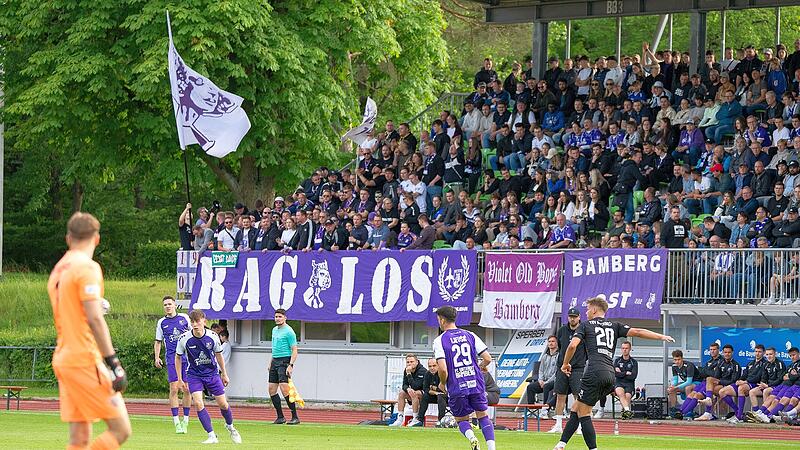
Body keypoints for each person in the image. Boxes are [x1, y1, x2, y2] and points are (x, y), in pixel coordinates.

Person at [47, 212, 132, 449]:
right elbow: (94, 319)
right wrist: (114, 363)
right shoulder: (87, 267)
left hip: (64, 358)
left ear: (68, 238)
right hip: (83, 358)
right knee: (121, 429)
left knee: (79, 439)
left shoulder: (59, 269)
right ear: (96, 239)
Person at [552, 297, 673, 450]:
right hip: (610, 374)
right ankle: (561, 444)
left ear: (595, 310)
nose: (587, 312)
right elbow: (638, 331)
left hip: (594, 372)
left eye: (588, 309)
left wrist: (565, 364)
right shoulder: (614, 325)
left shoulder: (586, 325)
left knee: (584, 413)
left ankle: (593, 449)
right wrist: (661, 336)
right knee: (576, 408)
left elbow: (572, 346)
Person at [433, 305, 496, 450]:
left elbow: (443, 368)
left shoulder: (440, 340)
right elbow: (487, 358)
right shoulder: (470, 335)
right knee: (483, 416)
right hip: (475, 382)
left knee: (461, 419)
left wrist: (442, 384)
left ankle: (473, 438)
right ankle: (492, 448)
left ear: (442, 320)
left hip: (457, 384)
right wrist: (476, 368)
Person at [175, 310, 242, 444]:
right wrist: (180, 379)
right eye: (192, 322)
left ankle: (231, 427)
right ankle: (211, 435)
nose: (195, 324)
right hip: (194, 375)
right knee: (199, 403)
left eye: (197, 321)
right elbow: (178, 357)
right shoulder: (184, 339)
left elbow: (218, 355)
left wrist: (224, 373)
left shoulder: (213, 336)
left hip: (212, 374)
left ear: (204, 322)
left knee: (223, 404)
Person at [154, 295, 192, 433]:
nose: (168, 306)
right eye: (165, 305)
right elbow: (158, 341)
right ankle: (176, 422)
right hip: (171, 359)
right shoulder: (162, 323)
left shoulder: (184, 318)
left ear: (175, 305)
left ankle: (186, 420)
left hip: (187, 359)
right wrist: (157, 357)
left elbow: (193, 334)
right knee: (174, 388)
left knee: (187, 389)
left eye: (170, 304)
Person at [549, 308, 586, 434]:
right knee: (560, 396)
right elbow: (560, 346)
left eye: (575, 316)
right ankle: (558, 424)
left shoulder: (584, 330)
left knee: (578, 397)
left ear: (579, 317)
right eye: (570, 316)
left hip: (578, 368)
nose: (572, 318)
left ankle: (580, 426)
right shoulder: (562, 330)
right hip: (562, 368)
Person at [268, 309, 300, 425]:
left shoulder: (289, 331)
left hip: (284, 361)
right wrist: (270, 362)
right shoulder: (274, 330)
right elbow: (274, 348)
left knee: (284, 388)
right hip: (275, 361)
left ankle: (295, 416)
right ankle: (280, 417)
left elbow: (294, 350)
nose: (277, 318)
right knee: (271, 389)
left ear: (285, 318)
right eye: (276, 316)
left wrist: (290, 365)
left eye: (280, 316)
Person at [389, 354, 427, 427]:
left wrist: (409, 374)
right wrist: (407, 389)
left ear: (417, 362)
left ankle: (415, 418)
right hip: (413, 393)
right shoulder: (406, 370)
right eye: (408, 362)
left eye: (412, 361)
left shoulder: (423, 371)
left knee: (414, 392)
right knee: (401, 393)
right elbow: (404, 385)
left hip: (424, 395)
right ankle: (399, 419)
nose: (409, 364)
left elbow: (416, 386)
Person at [411, 358, 449, 427]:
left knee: (441, 396)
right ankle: (419, 420)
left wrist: (433, 387)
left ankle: (440, 420)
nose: (432, 368)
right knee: (425, 396)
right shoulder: (427, 374)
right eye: (430, 366)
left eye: (434, 366)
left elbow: (443, 390)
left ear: (438, 365)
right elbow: (425, 388)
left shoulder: (443, 373)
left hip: (447, 397)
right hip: (435, 396)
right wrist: (435, 392)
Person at [526, 335, 559, 409]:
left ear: (557, 343)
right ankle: (531, 409)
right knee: (530, 387)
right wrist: (540, 380)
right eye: (549, 341)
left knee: (546, 386)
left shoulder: (559, 356)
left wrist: (546, 382)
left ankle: (545, 409)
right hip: (543, 381)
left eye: (553, 341)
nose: (551, 343)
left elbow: (557, 372)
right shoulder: (545, 356)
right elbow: (541, 370)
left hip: (554, 381)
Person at [668, 349, 698, 416]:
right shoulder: (674, 366)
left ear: (682, 359)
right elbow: (675, 380)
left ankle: (689, 410)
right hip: (686, 383)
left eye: (678, 359)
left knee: (687, 388)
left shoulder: (689, 365)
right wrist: (672, 386)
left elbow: (689, 382)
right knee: (671, 390)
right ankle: (673, 409)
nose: (677, 362)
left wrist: (676, 387)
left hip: (697, 382)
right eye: (675, 360)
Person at [612, 341, 638, 419]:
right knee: (621, 393)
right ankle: (627, 410)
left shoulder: (634, 362)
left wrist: (621, 373)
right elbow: (615, 374)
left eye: (626, 348)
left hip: (629, 384)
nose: (624, 350)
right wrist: (626, 373)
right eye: (623, 348)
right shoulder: (617, 361)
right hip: (619, 383)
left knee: (627, 396)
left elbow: (633, 376)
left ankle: (624, 412)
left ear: (630, 349)